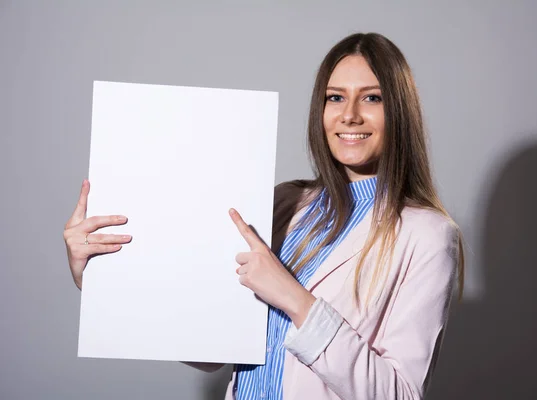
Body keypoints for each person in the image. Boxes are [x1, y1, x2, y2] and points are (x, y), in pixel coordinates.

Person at [63, 32, 465, 400]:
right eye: (335, 97)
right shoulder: (282, 204)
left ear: (399, 111)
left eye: (372, 98)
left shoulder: (427, 235)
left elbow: (399, 394)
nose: (350, 115)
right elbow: (213, 351)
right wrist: (102, 283)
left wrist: (292, 296)